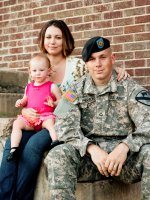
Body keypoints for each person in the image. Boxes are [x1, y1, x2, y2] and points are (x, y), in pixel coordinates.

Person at [0, 19, 128, 200]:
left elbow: (98, 68)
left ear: (65, 40)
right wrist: (24, 112)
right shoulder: (37, 65)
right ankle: (4, 196)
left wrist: (118, 69)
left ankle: (21, 197)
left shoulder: (76, 65)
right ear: (42, 40)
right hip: (35, 120)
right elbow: (30, 97)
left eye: (58, 37)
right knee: (10, 146)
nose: (52, 41)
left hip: (62, 122)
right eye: (49, 37)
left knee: (33, 146)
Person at [46, 36, 150, 200]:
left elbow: (148, 123)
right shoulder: (74, 91)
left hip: (125, 161)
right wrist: (91, 149)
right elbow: (63, 127)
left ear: (112, 58)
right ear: (86, 64)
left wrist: (125, 147)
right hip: (89, 161)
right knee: (57, 154)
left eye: (103, 57)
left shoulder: (130, 88)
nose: (98, 64)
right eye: (92, 59)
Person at [7, 53, 62, 162]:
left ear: (49, 71)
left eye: (41, 70)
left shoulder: (52, 86)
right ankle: (14, 149)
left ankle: (56, 142)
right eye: (34, 71)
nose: (38, 73)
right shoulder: (28, 87)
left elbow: (61, 100)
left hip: (45, 117)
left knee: (51, 123)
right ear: (30, 72)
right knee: (17, 124)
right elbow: (25, 100)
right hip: (30, 120)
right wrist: (20, 102)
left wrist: (54, 103)